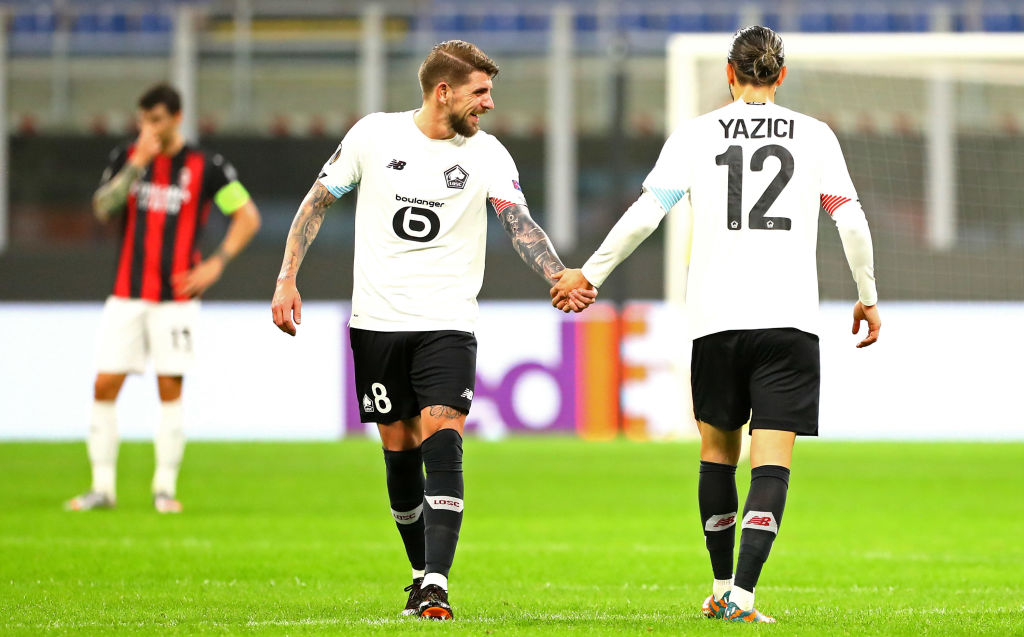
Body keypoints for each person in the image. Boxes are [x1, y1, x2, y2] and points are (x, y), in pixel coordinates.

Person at [552, 26, 880, 623]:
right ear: (781, 76)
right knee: (771, 460)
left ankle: (722, 585)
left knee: (717, 453)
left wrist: (590, 275)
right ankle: (743, 598)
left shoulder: (696, 134)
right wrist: (867, 295)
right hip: (788, 321)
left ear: (730, 74)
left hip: (716, 320)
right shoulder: (815, 135)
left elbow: (645, 214)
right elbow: (851, 222)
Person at [270, 40, 594, 620]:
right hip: (377, 323)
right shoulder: (373, 136)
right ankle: (420, 575)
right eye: (479, 92)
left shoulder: (488, 154)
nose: (489, 103)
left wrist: (557, 274)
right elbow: (316, 202)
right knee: (399, 454)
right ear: (443, 92)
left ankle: (437, 585)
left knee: (443, 439)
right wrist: (286, 278)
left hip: (447, 323)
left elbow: (518, 222)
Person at [66, 83, 261, 514]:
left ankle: (164, 490)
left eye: (155, 120)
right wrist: (137, 164)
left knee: (169, 387)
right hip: (127, 293)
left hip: (176, 298)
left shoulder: (206, 166)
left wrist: (216, 263)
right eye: (142, 120)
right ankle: (102, 488)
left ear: (176, 118)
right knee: (104, 384)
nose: (148, 128)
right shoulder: (126, 157)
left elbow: (247, 216)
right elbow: (102, 209)